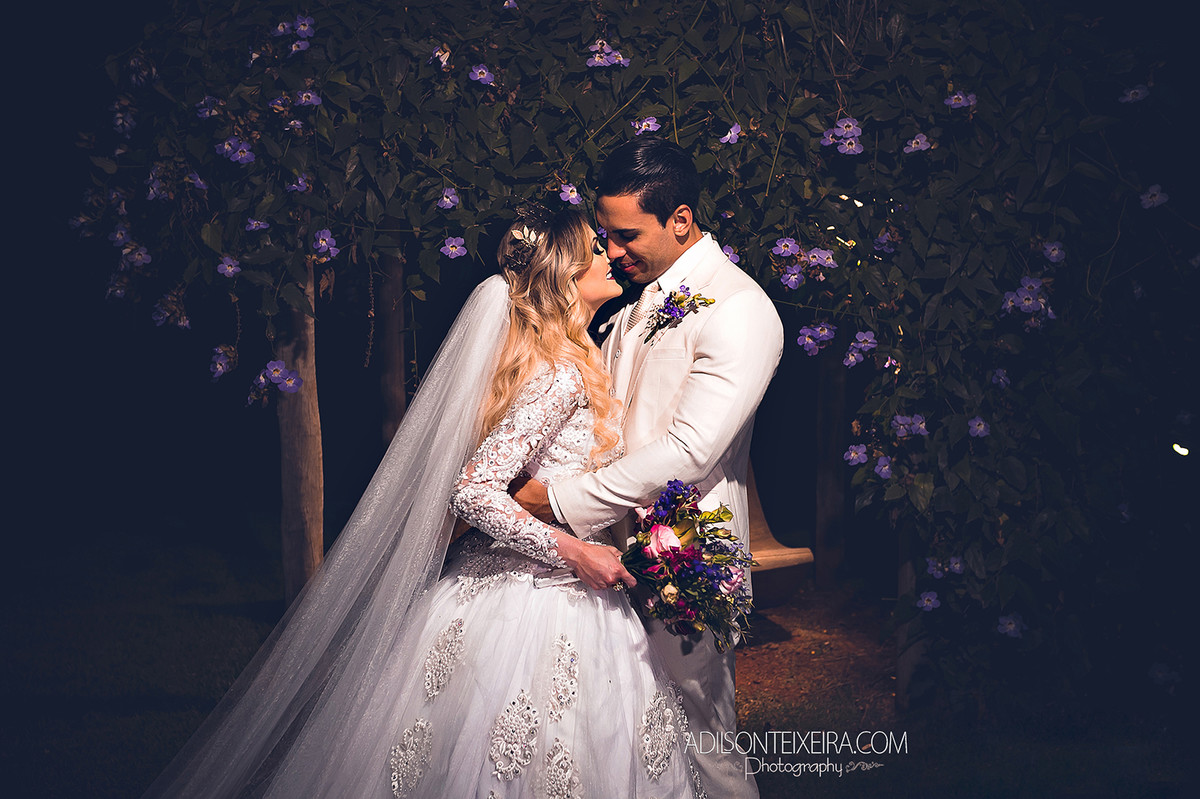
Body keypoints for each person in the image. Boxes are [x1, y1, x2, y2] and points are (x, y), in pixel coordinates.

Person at [142, 207, 702, 798]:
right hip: (533, 599)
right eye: (594, 247)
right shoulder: (559, 375)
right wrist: (575, 552)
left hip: (568, 589)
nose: (611, 254)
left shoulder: (577, 357)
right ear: (564, 273)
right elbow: (474, 489)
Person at [513, 137, 785, 799]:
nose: (611, 251)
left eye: (626, 235)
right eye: (606, 234)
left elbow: (691, 450)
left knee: (704, 739)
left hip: (683, 557)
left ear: (681, 219)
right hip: (608, 557)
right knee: (629, 736)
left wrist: (558, 500)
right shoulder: (636, 302)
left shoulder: (739, 308)